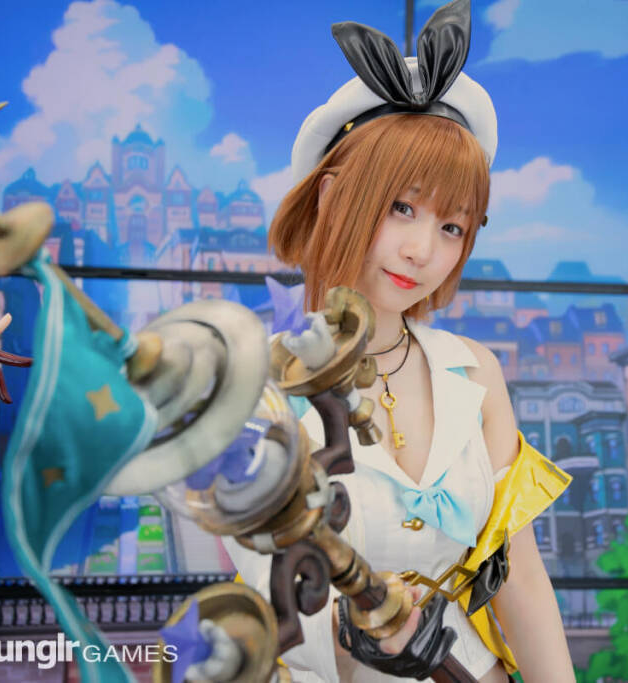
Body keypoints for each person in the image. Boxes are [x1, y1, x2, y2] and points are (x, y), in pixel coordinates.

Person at [223, 2, 575, 681]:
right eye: (402, 207)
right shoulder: (257, 384)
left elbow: (520, 576)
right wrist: (357, 627)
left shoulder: (475, 372)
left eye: (452, 226)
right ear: (332, 197)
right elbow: (266, 595)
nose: (422, 249)